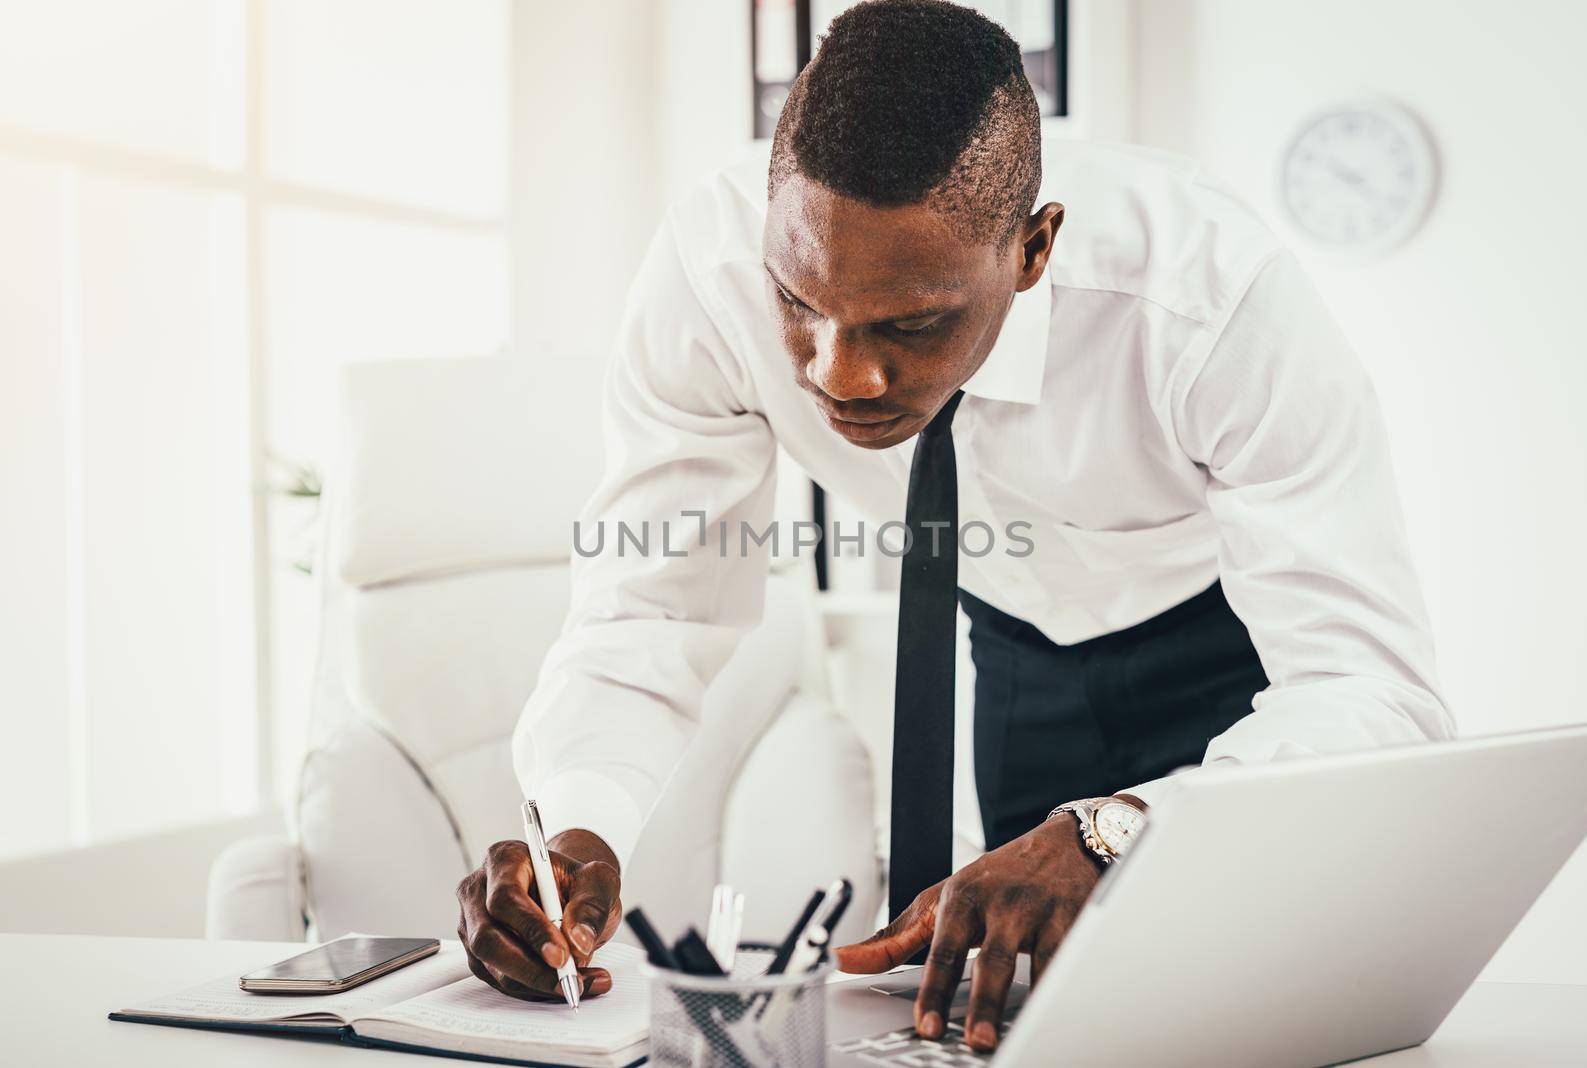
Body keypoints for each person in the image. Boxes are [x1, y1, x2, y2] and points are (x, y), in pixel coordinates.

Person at [455, 0, 1452, 1052]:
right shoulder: (706, 281)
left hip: (1232, 654)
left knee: (1259, 1018)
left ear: (1032, 249)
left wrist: (1115, 828)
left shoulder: (1211, 298)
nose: (837, 375)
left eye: (911, 324)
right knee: (1027, 1022)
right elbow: (648, 610)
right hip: (1015, 642)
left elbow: (1369, 689)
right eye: (799, 301)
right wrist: (578, 825)